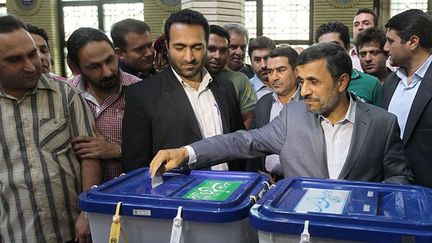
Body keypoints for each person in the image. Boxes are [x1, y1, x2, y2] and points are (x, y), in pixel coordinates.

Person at [149, 42, 413, 185]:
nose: (305, 91)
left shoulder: (382, 123)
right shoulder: (292, 117)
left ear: (342, 82)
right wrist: (186, 153)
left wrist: (378, 204)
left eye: (314, 81)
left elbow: (399, 176)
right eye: (301, 81)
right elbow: (242, 141)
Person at [0, 15, 101, 242]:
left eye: (33, 54)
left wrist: (87, 212)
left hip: (71, 231)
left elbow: (90, 158)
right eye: (15, 59)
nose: (30, 65)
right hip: (15, 232)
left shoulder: (66, 96)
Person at [122, 9, 245, 172]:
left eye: (197, 47)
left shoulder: (226, 89)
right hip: (176, 195)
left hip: (231, 192)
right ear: (167, 46)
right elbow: (136, 168)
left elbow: (240, 144)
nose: (189, 57)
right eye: (180, 47)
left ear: (206, 45)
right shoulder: (142, 95)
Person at [66, 27, 141, 182]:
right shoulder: (66, 95)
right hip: (81, 199)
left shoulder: (141, 90)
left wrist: (116, 151)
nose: (107, 72)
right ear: (75, 67)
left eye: (109, 60)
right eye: (94, 66)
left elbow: (161, 148)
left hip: (130, 194)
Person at [381, 9, 432, 188]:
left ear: (412, 42)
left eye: (390, 41)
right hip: (393, 186)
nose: (385, 48)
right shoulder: (390, 82)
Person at [252, 47, 300, 180]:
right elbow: (255, 144)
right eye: (270, 71)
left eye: (281, 70)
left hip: (301, 181)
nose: (274, 77)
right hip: (268, 180)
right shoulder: (263, 103)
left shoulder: (309, 102)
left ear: (296, 71)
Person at [316, 21, 382, 106]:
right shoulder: (311, 84)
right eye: (323, 47)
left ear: (347, 48)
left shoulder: (371, 84)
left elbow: (381, 117)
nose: (328, 52)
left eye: (334, 46)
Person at [205, 24, 257, 129]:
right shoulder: (193, 76)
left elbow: (248, 119)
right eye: (233, 47)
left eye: (243, 47)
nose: (239, 52)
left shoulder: (242, 79)